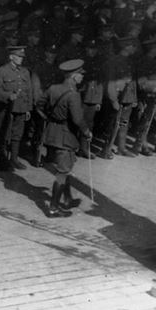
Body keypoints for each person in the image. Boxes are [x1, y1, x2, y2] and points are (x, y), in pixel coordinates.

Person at [41, 59, 92, 218]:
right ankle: (53, 208)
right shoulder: (74, 95)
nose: (82, 78)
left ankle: (68, 199)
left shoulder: (53, 88)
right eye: (80, 75)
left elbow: (39, 105)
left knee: (65, 167)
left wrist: (50, 118)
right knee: (63, 172)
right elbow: (77, 120)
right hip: (65, 136)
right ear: (73, 76)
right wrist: (87, 132)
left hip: (52, 133)